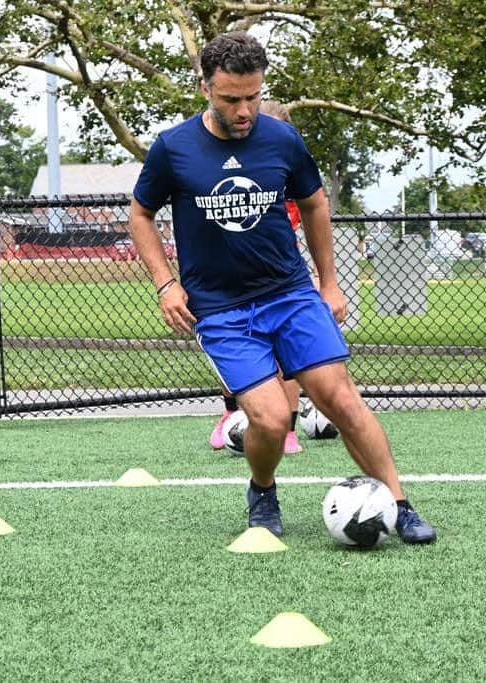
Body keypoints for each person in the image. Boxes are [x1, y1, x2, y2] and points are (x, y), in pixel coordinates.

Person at [129, 31, 436, 543]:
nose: (244, 109)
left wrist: (330, 283)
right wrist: (166, 283)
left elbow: (315, 203)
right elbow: (140, 213)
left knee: (340, 397)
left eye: (252, 96)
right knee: (271, 420)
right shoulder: (174, 148)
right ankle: (263, 489)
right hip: (222, 310)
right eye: (231, 99)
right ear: (206, 88)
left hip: (291, 296)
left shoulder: (282, 139)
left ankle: (399, 504)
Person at [209, 99, 303, 456]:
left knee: (286, 356)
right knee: (233, 346)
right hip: (227, 280)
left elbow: (302, 215)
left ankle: (289, 430)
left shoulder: (287, 172)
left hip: (278, 278)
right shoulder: (225, 170)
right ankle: (231, 415)